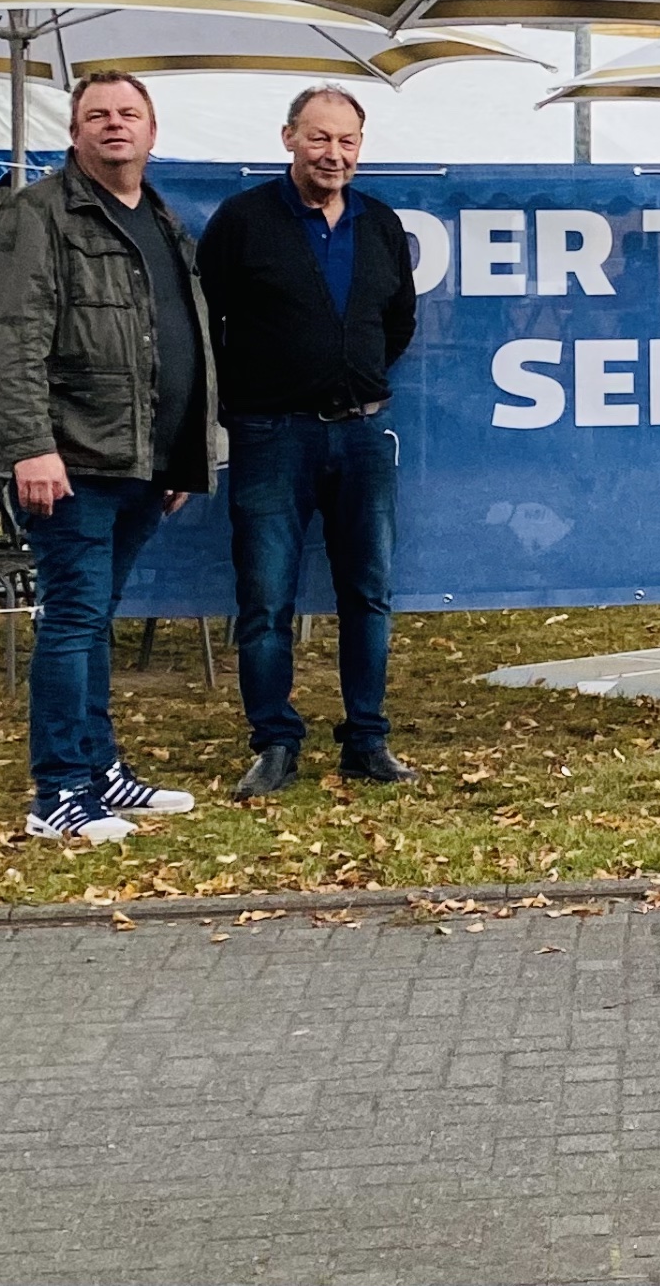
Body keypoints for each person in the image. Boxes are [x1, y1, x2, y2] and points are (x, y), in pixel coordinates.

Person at [0, 72, 208, 843]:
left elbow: (181, 338)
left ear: (152, 130)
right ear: (74, 132)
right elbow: (10, 339)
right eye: (98, 114)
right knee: (73, 619)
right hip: (71, 458)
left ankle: (100, 767)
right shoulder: (35, 215)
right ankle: (58, 793)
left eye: (129, 113)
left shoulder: (162, 218)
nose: (116, 124)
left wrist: (181, 454)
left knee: (94, 617)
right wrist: (31, 447)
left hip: (141, 461)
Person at [197, 86, 419, 799]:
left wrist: (349, 371)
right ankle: (274, 743)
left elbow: (398, 321)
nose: (333, 154)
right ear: (288, 137)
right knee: (266, 598)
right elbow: (205, 325)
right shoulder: (242, 221)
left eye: (347, 140)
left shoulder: (380, 223)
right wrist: (254, 394)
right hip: (271, 435)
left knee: (369, 593)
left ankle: (367, 740)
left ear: (361, 146)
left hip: (362, 433)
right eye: (319, 137)